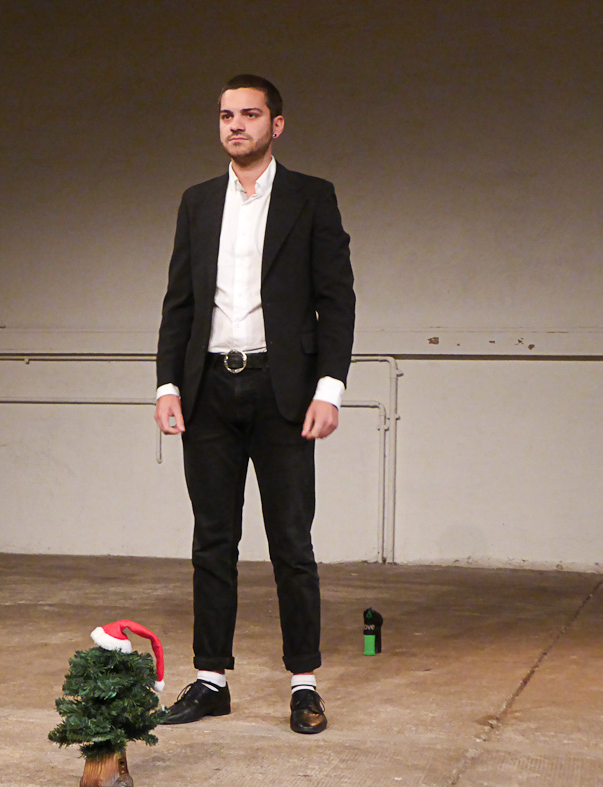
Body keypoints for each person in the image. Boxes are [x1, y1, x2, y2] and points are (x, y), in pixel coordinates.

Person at [154, 74, 356, 734]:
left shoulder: (311, 197)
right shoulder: (197, 202)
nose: (235, 125)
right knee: (213, 540)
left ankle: (304, 684)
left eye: (249, 114)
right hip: (209, 390)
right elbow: (179, 303)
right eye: (226, 115)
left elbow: (337, 301)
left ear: (277, 125)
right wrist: (167, 385)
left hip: (282, 391)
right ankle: (211, 680)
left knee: (291, 541)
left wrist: (329, 389)